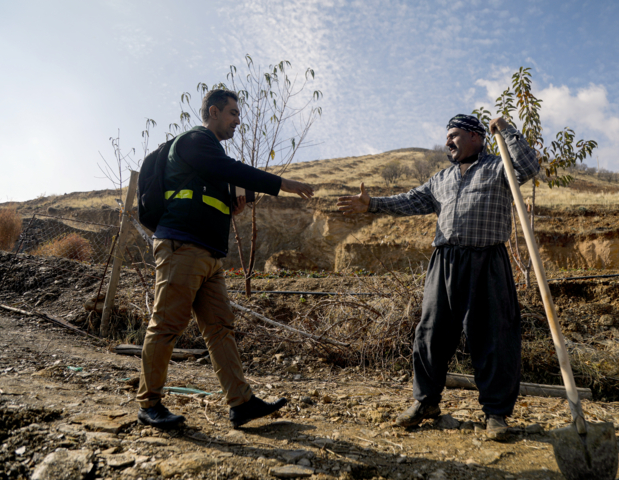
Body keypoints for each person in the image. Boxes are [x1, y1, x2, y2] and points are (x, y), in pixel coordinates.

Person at [337, 114, 539, 440]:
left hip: (487, 260)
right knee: (430, 333)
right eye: (447, 136)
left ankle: (496, 414)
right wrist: (372, 205)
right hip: (444, 261)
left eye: (455, 135)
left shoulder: (498, 168)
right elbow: (408, 201)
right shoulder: (441, 179)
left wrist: (508, 130)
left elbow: (529, 167)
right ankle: (426, 402)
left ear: (476, 137)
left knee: (494, 338)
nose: (448, 142)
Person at [137, 89, 315, 429]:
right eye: (233, 113)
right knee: (167, 325)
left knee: (220, 329)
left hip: (208, 255)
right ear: (214, 112)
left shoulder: (208, 159)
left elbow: (211, 196)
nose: (238, 120)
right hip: (182, 248)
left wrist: (231, 205)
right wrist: (284, 184)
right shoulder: (195, 141)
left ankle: (241, 403)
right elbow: (231, 169)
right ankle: (149, 404)